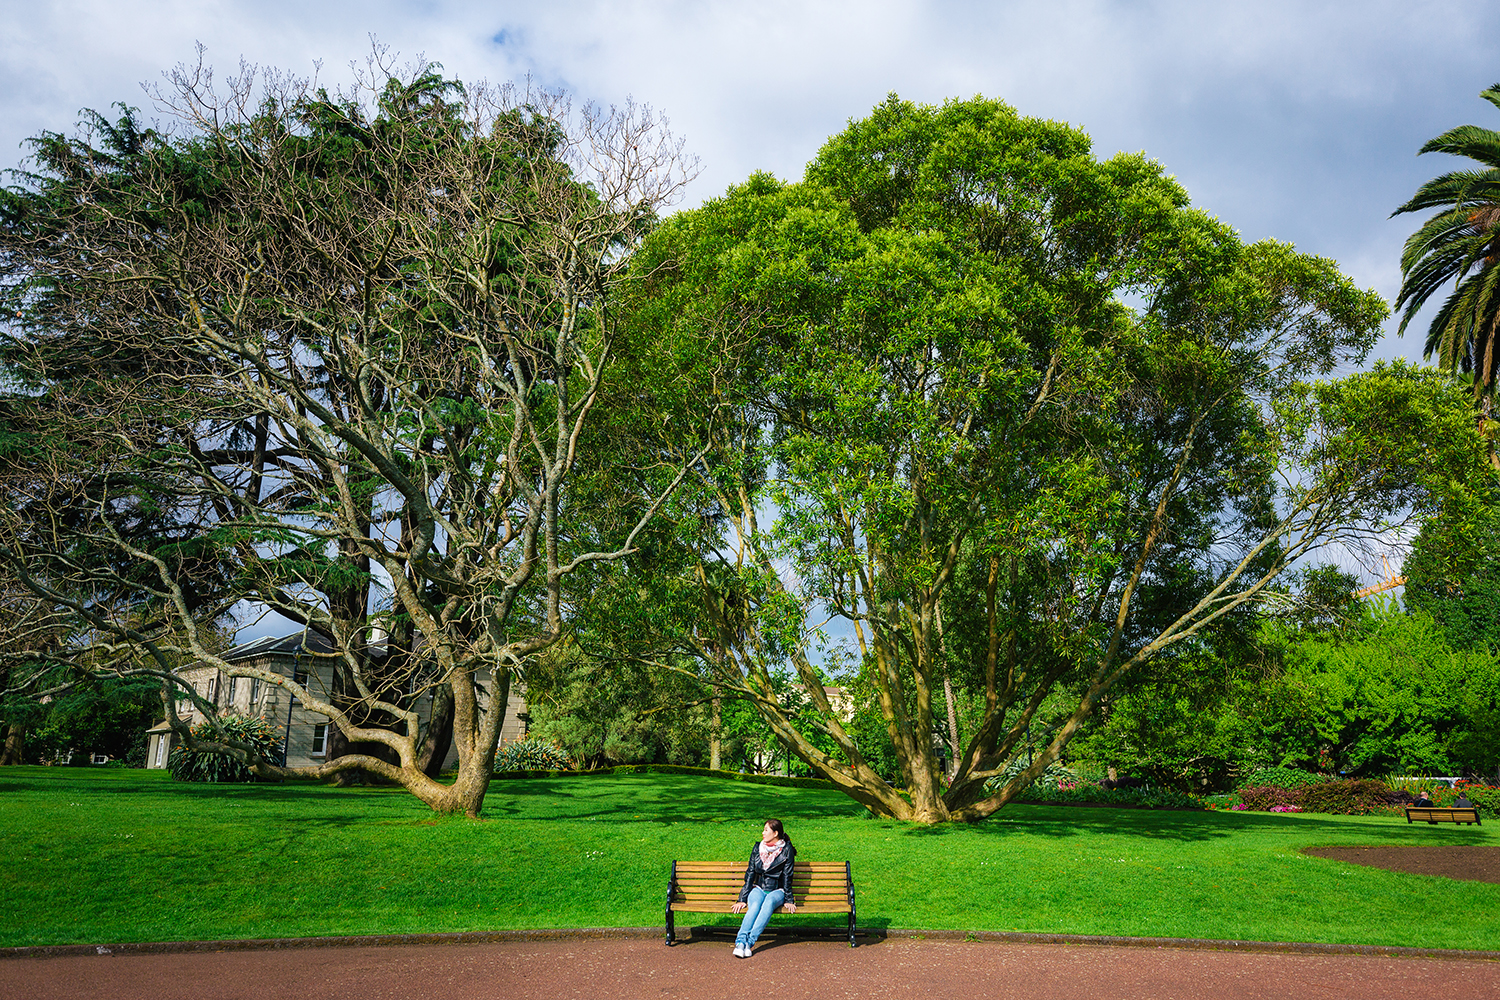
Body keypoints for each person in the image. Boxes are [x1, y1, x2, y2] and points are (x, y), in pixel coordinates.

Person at [729, 818, 796, 958]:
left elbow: (787, 876)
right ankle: (740, 942)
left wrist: (789, 899)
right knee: (754, 906)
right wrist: (742, 899)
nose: (763, 833)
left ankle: (749, 942)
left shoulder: (787, 850)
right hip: (758, 888)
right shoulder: (758, 847)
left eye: (766, 830)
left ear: (776, 833)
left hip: (777, 890)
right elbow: (750, 873)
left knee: (769, 903)